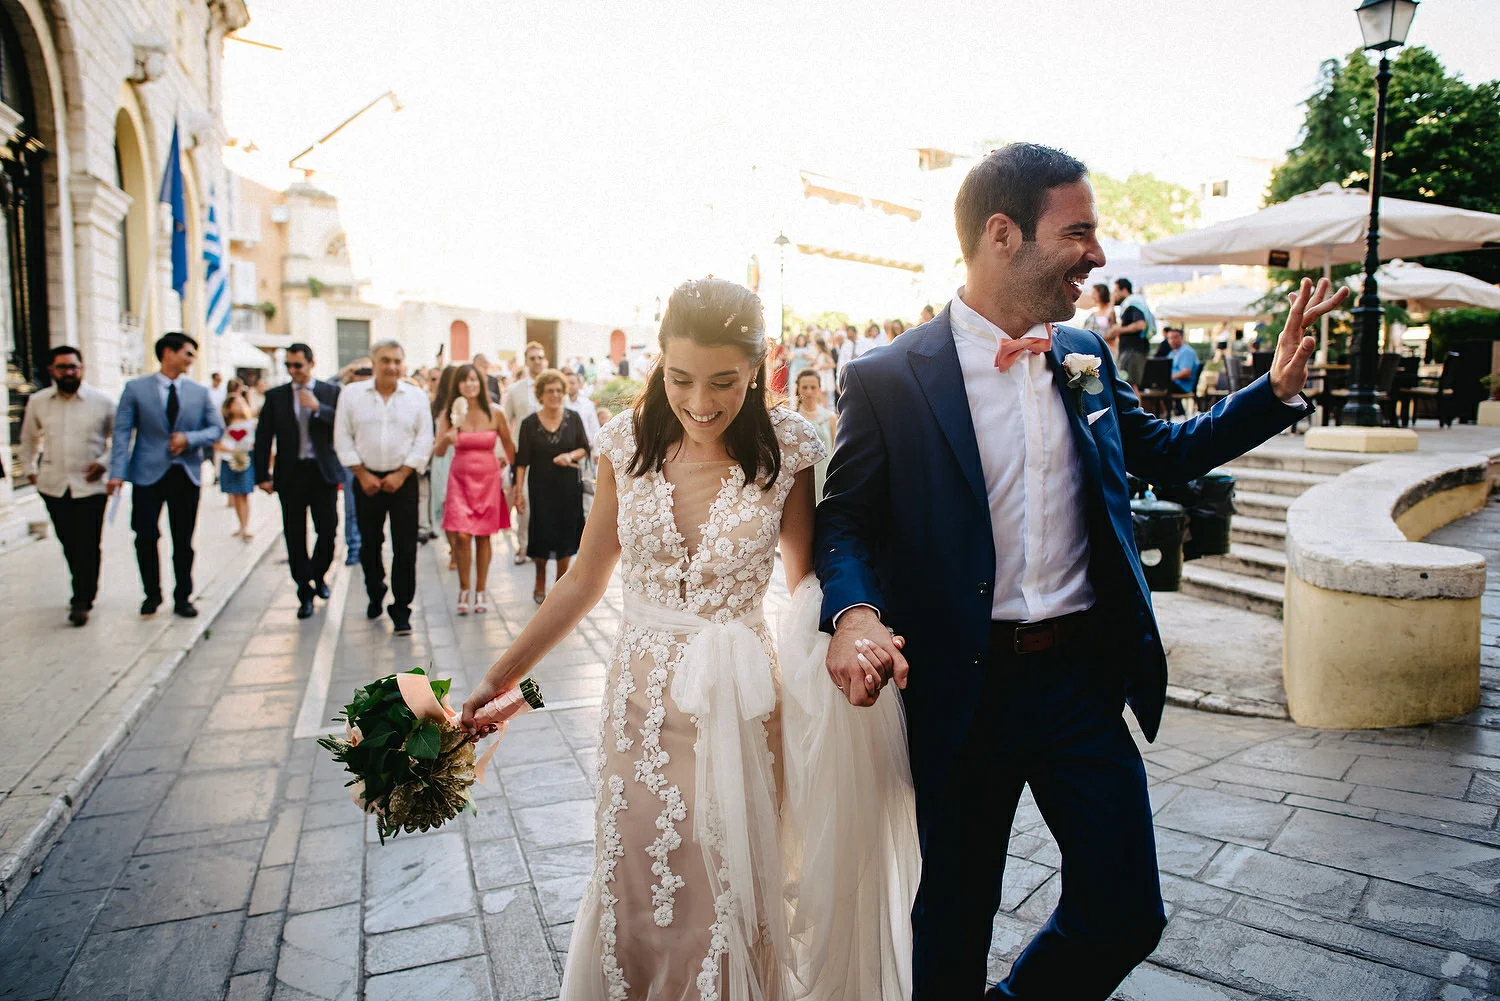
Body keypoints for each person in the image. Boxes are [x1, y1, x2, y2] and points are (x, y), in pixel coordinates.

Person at [815, 142, 1339, 1001]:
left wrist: (1273, 392)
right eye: (1079, 232)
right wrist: (854, 613)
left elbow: (1167, 454)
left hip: (1079, 682)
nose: (1096, 255)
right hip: (961, 686)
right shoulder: (887, 379)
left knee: (1127, 909)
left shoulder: (1082, 354)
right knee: (952, 919)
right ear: (1002, 235)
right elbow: (844, 520)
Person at [462, 278, 916, 1001]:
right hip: (638, 709)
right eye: (680, 379)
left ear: (759, 367)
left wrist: (849, 635)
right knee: (637, 887)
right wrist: (501, 675)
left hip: (742, 709)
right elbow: (582, 580)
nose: (700, 401)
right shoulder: (624, 445)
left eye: (723, 382)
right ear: (658, 366)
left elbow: (804, 587)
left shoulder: (789, 450)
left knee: (726, 895)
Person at [108, 332, 224, 618]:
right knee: (145, 535)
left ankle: (183, 595)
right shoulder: (135, 389)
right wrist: (117, 472)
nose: (191, 360)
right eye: (188, 353)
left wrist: (189, 438)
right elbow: (122, 432)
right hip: (148, 474)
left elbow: (216, 429)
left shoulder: (199, 392)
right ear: (168, 353)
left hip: (185, 474)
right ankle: (152, 594)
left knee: (183, 540)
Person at [333, 340, 434, 637]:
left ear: (403, 364)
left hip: (403, 481)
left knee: (405, 546)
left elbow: (424, 438)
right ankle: (375, 592)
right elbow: (342, 437)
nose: (392, 366)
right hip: (366, 481)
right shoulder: (351, 395)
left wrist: (403, 474)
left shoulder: (416, 397)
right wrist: (361, 473)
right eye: (385, 360)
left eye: (397, 361)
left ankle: (402, 609)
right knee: (370, 543)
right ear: (374, 363)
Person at [19, 346, 114, 626]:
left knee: (89, 542)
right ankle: (81, 588)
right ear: (52, 370)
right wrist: (29, 472)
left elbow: (121, 439)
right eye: (62, 367)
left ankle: (82, 597)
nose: (69, 372)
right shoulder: (38, 402)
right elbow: (28, 440)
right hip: (54, 485)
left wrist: (104, 463)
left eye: (74, 367)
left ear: (82, 368)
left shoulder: (102, 402)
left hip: (90, 486)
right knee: (69, 542)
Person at [254, 342, 343, 619]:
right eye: (289, 366)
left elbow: (343, 425)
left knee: (328, 529)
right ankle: (303, 589)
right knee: (294, 533)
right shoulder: (276, 396)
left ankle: (319, 573)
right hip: (291, 474)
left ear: (311, 364)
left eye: (298, 366)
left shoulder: (330, 392)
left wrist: (319, 409)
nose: (293, 371)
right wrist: (261, 475)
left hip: (322, 471)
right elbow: (263, 437)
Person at [436, 363, 515, 614]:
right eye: (463, 380)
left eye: (473, 380)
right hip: (459, 480)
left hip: (488, 479)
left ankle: (480, 590)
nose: (469, 384)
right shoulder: (449, 413)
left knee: (483, 535)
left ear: (481, 384)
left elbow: (509, 446)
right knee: (461, 535)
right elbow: (437, 451)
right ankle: (464, 587)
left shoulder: (495, 413)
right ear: (456, 385)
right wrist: (448, 438)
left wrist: (515, 474)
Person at [514, 369, 589, 603]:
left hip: (568, 488)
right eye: (550, 391)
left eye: (559, 390)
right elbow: (522, 461)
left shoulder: (573, 418)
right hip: (541, 489)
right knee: (542, 534)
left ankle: (560, 586)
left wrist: (569, 456)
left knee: (566, 535)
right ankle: (539, 580)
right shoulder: (529, 424)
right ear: (540, 395)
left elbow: (584, 447)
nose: (555, 395)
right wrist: (518, 492)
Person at [504, 341, 548, 564]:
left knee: (547, 502)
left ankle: (545, 544)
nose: (537, 361)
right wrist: (506, 454)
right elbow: (505, 422)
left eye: (540, 357)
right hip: (524, 455)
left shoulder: (553, 384)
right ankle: (523, 545)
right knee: (525, 502)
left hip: (550, 453)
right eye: (533, 358)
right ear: (526, 361)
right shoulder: (515, 390)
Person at [334, 359, 372, 566]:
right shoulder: (345, 396)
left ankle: (369, 545)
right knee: (352, 507)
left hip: (374, 460)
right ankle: (354, 548)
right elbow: (326, 387)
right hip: (351, 462)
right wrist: (342, 372)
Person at [428, 365, 463, 570]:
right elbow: (439, 441)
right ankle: (453, 549)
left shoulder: (471, 406)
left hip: (464, 458)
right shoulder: (440, 407)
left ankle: (460, 548)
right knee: (445, 504)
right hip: (445, 459)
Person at [216, 395, 257, 540]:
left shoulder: (251, 423)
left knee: (244, 493)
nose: (239, 406)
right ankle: (241, 525)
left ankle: (245, 526)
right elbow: (217, 443)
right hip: (230, 460)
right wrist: (231, 452)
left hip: (245, 460)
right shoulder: (224, 424)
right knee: (235, 494)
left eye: (241, 403)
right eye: (236, 403)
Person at [794, 368, 835, 500]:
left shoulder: (830, 417)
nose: (809, 391)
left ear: (819, 388)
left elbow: (835, 450)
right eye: (805, 387)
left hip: (825, 476)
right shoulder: (792, 418)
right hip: (799, 479)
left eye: (813, 387)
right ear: (798, 388)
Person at [1112, 277, 1157, 386]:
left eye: (1116, 290)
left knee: (1130, 385)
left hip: (1133, 351)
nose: (1115, 294)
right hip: (1132, 350)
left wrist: (1119, 330)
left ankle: (1135, 404)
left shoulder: (1133, 304)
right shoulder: (1132, 303)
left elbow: (1140, 325)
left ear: (1124, 290)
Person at [564, 369, 602, 447]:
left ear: (578, 384)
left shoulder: (588, 404)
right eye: (566, 383)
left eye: (572, 383)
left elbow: (594, 428)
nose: (569, 386)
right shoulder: (559, 404)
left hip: (585, 448)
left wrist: (596, 452)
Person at [1081, 282, 1118, 356]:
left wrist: (1099, 339)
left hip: (1106, 348)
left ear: (1101, 293)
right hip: (1094, 348)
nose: (1092, 295)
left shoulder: (1110, 311)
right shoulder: (1093, 312)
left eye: (1094, 293)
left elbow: (1114, 332)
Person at [1167, 327, 1199, 394]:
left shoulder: (1186, 352)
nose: (1172, 340)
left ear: (1182, 338)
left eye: (1175, 337)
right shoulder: (1172, 353)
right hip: (1173, 384)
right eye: (1170, 338)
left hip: (1182, 386)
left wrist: (1167, 379)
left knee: (1156, 389)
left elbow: (1186, 373)